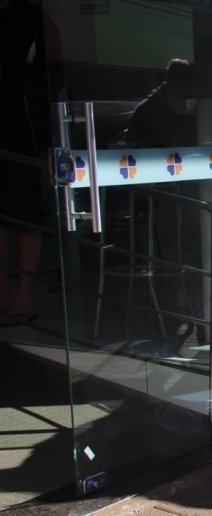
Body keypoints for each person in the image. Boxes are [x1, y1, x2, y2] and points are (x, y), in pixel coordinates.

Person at [0, 0, 50, 326]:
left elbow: (46, 75)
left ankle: (21, 301)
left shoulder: (30, 16)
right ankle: (4, 300)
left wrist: (44, 140)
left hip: (21, 134)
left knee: (25, 220)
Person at [125, 58, 198, 148]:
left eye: (190, 96)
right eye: (180, 94)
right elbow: (134, 149)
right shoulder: (147, 111)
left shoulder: (199, 110)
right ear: (171, 83)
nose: (186, 99)